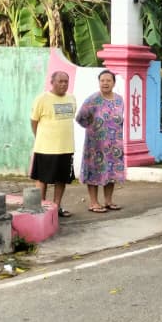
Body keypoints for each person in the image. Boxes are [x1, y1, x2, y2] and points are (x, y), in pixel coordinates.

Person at [76, 70, 126, 214]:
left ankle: (108, 201)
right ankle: (93, 202)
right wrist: (93, 130)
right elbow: (80, 118)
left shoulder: (119, 100)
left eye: (108, 80)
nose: (105, 83)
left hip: (114, 144)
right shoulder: (93, 99)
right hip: (95, 145)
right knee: (94, 172)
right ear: (99, 82)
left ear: (114, 83)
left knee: (111, 172)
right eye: (102, 80)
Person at [30, 71, 77, 218]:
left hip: (66, 148)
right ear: (52, 82)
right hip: (46, 148)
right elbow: (34, 121)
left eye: (66, 81)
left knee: (61, 179)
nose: (63, 84)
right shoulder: (42, 99)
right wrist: (40, 137)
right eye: (60, 81)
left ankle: (56, 207)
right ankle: (41, 208)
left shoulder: (71, 98)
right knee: (42, 179)